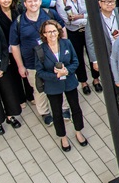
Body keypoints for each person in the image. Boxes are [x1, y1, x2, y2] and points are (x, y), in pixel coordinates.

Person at [35, 19, 87, 152]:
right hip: (53, 85)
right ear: (44, 34)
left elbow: (75, 61)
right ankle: (63, 136)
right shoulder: (40, 50)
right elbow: (40, 71)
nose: (52, 34)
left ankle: (78, 131)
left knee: (75, 107)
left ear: (58, 32)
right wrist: (55, 76)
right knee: (57, 112)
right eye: (48, 32)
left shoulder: (66, 43)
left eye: (54, 31)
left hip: (69, 82)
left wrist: (67, 71)